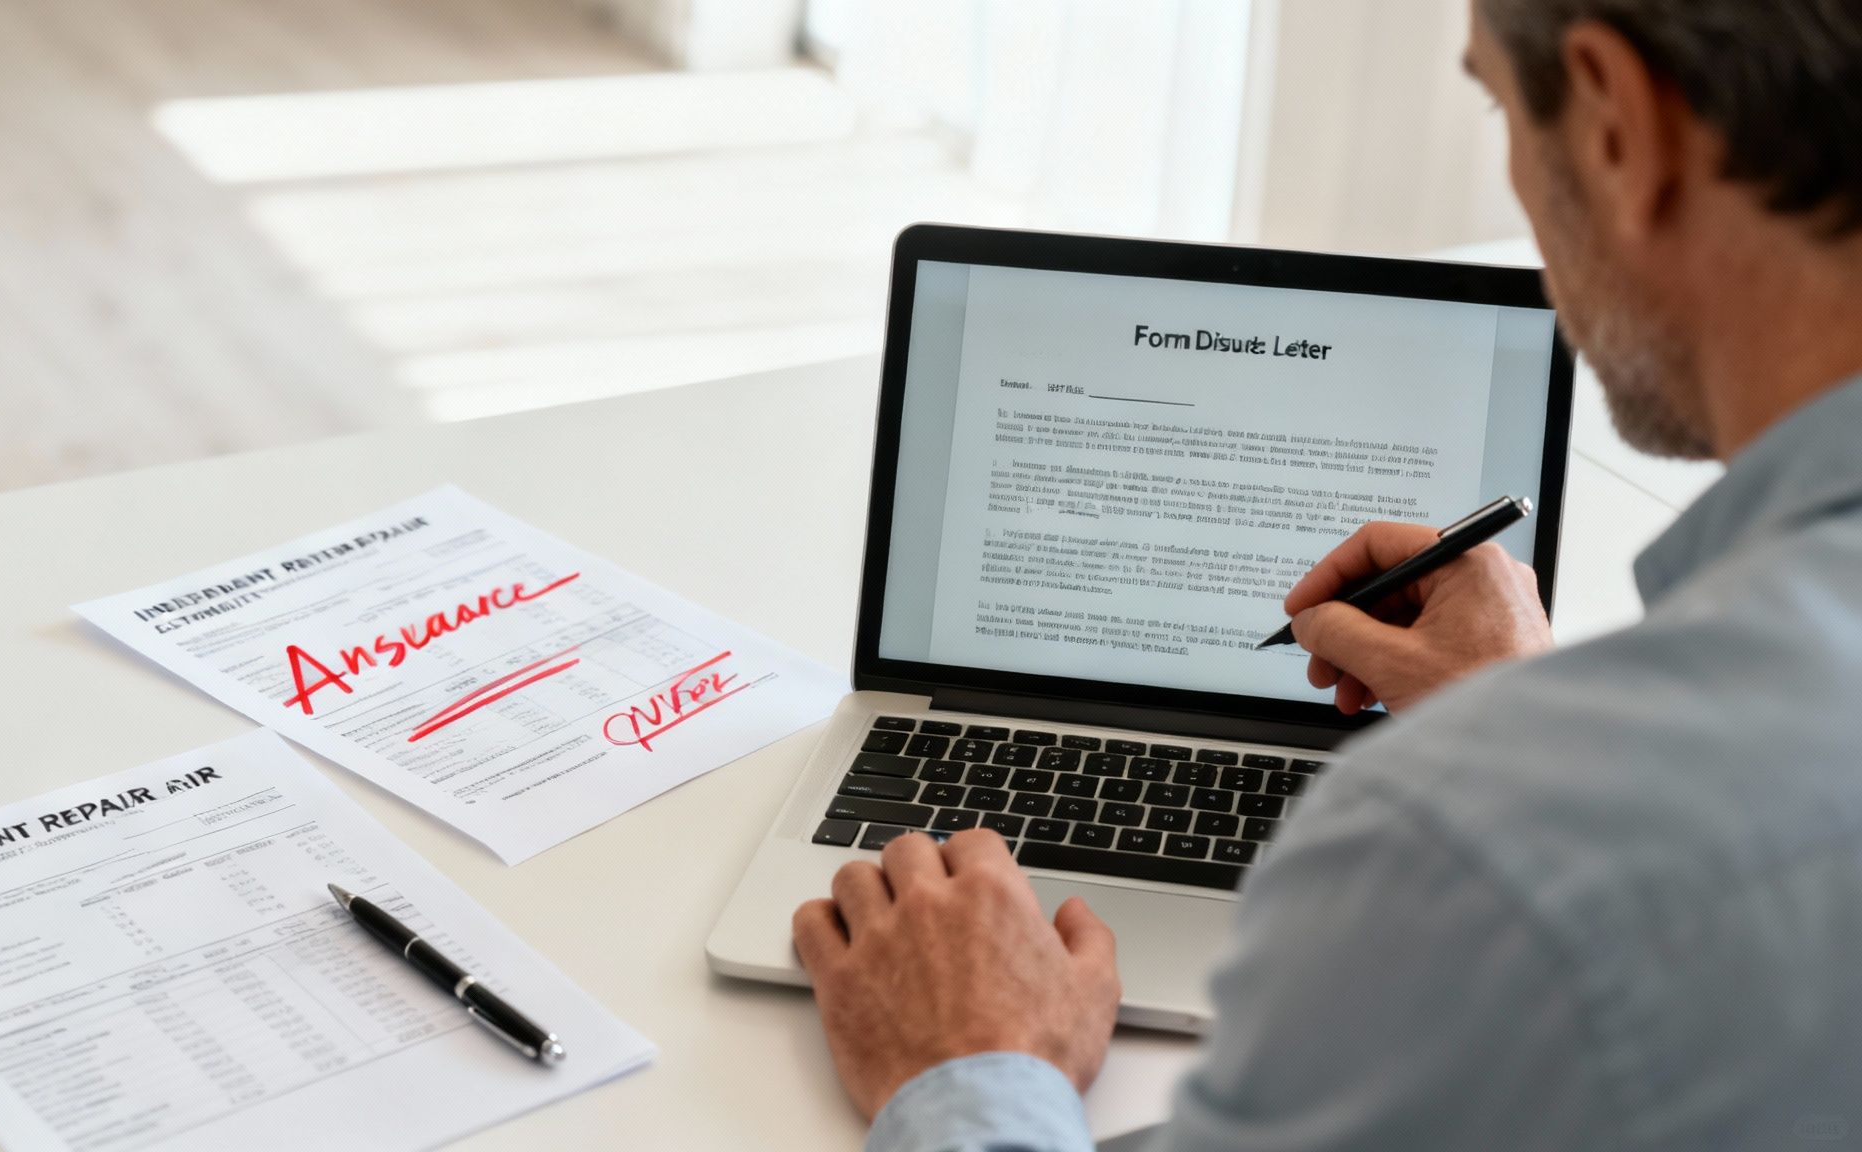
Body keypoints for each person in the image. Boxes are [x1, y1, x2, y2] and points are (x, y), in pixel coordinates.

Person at [791, 2, 1862, 1148]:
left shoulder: (1473, 862)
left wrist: (968, 1066)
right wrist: (1520, 717)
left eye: (1499, 102)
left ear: (1611, 120)